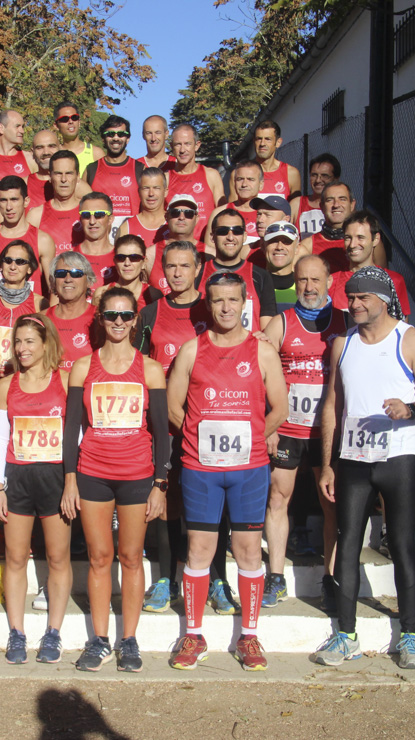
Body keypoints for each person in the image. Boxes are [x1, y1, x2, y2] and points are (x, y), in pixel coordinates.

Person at [314, 266, 415, 670]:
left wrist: (410, 409)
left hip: (399, 456)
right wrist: (327, 464)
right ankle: (346, 634)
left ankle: (409, 635)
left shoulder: (412, 340)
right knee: (348, 544)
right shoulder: (343, 343)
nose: (353, 304)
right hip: (353, 457)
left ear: (384, 301)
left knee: (402, 545)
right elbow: (333, 407)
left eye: (362, 298)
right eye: (350, 297)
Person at [166, 271, 287, 671]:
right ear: (209, 303)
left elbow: (280, 409)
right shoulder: (190, 350)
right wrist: (199, 438)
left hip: (249, 467)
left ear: (244, 303)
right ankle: (194, 633)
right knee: (199, 549)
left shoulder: (262, 351)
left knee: (248, 550)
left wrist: (255, 437)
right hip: (201, 468)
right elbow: (172, 407)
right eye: (218, 301)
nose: (226, 308)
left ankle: (249, 637)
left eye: (233, 300)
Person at [63, 287, 170, 672]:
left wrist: (160, 483)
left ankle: (129, 639)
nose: (119, 323)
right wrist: (70, 478)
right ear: (100, 319)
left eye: (126, 316)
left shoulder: (151, 369)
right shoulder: (82, 366)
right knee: (98, 557)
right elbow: (72, 427)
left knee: (130, 557)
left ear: (136, 320)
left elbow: (161, 431)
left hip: (138, 475)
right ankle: (100, 639)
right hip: (93, 472)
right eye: (111, 316)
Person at [261, 255, 347, 611]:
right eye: (302, 280)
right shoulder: (282, 322)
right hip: (289, 431)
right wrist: (267, 425)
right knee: (277, 500)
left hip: (328, 432)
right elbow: (258, 373)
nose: (309, 287)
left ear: (328, 281)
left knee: (332, 506)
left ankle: (330, 579)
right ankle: (277, 577)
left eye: (315, 280)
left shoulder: (344, 322)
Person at [134, 241, 208, 612]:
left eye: (185, 266)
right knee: (165, 501)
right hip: (161, 423)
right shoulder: (149, 312)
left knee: (204, 502)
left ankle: (211, 577)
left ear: (197, 269)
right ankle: (165, 578)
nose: (177, 273)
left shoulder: (212, 309)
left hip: (204, 420)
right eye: (171, 267)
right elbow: (136, 363)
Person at [0, 314, 71, 664]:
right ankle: (16, 632)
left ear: (45, 344)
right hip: (18, 479)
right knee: (16, 558)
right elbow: (0, 439)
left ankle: (53, 632)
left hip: (55, 480)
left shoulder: (65, 382)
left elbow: (75, 437)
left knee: (57, 557)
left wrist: (73, 481)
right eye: (18, 342)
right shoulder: (6, 385)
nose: (22, 349)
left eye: (29, 342)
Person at [198, 208, 279, 333]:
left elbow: (267, 328)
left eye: (237, 231)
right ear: (212, 237)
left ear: (245, 236)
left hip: (248, 350)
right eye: (223, 231)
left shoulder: (261, 275)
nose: (230, 237)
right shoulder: (198, 274)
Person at [0, 240, 49, 375]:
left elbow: (44, 345)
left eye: (20, 262)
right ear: (1, 265)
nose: (13, 266)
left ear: (30, 268)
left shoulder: (40, 303)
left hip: (23, 377)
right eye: (8, 260)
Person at [0, 176, 55, 293]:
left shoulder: (42, 240)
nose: (9, 207)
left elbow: (52, 289)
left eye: (14, 199)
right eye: (3, 200)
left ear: (26, 201)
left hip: (30, 310)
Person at [328, 211, 410, 318]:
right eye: (348, 238)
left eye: (360, 237)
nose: (352, 245)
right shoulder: (331, 282)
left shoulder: (394, 281)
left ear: (375, 239)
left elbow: (401, 328)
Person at [296, 181, 384, 273]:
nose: (336, 205)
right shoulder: (308, 245)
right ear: (321, 206)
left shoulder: (370, 241)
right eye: (330, 200)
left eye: (342, 199)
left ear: (352, 204)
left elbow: (383, 277)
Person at [84, 115, 143, 235]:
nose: (116, 138)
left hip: (130, 237)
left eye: (121, 134)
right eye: (110, 134)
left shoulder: (139, 168)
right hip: (100, 238)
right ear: (103, 138)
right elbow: (81, 204)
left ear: (128, 138)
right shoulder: (92, 169)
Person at [43, 251, 100, 371]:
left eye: (76, 274)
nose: (68, 279)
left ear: (89, 281)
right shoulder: (40, 320)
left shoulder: (101, 319)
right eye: (61, 273)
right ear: (53, 281)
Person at [166, 124, 223, 240]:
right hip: (176, 250)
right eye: (178, 144)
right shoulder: (165, 178)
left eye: (187, 144)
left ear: (197, 145)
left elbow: (223, 215)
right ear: (172, 146)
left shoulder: (211, 175)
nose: (182, 150)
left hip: (205, 249)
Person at [145, 194, 207, 295]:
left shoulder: (210, 253)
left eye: (188, 214)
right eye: (175, 213)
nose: (181, 217)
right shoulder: (150, 255)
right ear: (166, 216)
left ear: (197, 218)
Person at [28, 150, 85, 255]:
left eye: (69, 173)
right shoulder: (36, 216)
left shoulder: (88, 212)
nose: (64, 179)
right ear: (50, 176)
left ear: (77, 176)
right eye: (58, 174)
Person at [92, 234, 150, 310]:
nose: (127, 263)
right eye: (121, 258)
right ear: (115, 262)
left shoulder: (152, 294)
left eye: (134, 258)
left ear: (144, 262)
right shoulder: (101, 293)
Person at [246, 121, 301, 200]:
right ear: (254, 141)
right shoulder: (240, 175)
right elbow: (232, 211)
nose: (262, 144)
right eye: (259, 139)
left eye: (268, 139)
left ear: (278, 142)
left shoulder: (291, 174)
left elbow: (296, 210)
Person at [292, 153, 340, 238]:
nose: (318, 180)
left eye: (324, 176)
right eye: (314, 175)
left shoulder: (341, 206)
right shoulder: (297, 204)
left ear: (336, 179)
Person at [259, 221, 302, 312]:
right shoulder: (253, 284)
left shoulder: (305, 287)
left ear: (297, 248)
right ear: (263, 246)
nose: (279, 247)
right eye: (273, 241)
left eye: (286, 242)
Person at [75, 192, 117, 286]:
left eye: (99, 214)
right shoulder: (68, 258)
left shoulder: (122, 258)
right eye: (86, 215)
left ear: (110, 219)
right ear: (81, 219)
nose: (92, 221)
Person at [121, 167, 170, 248]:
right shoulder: (127, 227)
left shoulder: (175, 223)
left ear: (165, 192)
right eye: (146, 188)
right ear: (139, 192)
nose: (151, 193)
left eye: (156, 188)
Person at [54, 102, 104, 174]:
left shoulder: (95, 154)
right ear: (56, 126)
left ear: (79, 122)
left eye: (74, 117)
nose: (70, 122)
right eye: (64, 119)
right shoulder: (53, 153)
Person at [0, 109, 37, 180]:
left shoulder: (30, 159)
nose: (22, 131)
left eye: (22, 127)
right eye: (17, 126)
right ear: (1, 128)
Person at [223, 161, 264, 243]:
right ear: (234, 183)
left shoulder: (269, 216)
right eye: (240, 179)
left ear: (261, 184)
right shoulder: (220, 213)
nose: (244, 184)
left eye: (250, 179)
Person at [25, 129, 61, 212]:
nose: (46, 152)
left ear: (60, 148)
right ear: (32, 152)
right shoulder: (23, 185)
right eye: (40, 148)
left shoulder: (74, 184)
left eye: (51, 146)